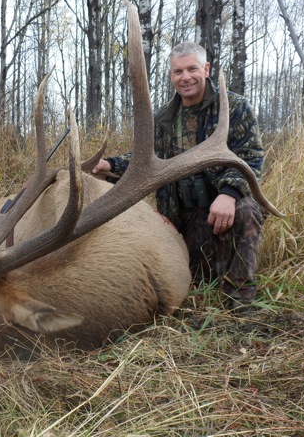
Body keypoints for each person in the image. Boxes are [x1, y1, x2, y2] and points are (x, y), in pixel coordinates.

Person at [92, 42, 268, 312]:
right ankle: (205, 277)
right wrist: (110, 165)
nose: (185, 77)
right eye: (178, 72)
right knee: (194, 278)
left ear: (206, 69)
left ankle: (240, 298)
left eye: (192, 69)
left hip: (224, 209)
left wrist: (229, 194)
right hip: (185, 217)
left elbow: (251, 156)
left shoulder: (233, 108)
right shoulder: (163, 118)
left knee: (247, 210)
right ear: (171, 75)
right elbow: (143, 160)